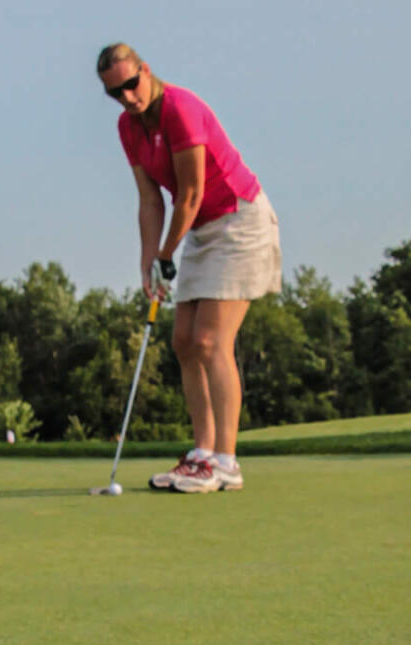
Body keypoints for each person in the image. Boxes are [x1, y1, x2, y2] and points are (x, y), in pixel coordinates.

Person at [97, 43, 282, 493]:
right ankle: (202, 454)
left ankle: (227, 463)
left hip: (239, 220)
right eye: (114, 93)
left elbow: (192, 193)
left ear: (146, 70)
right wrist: (148, 261)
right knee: (184, 341)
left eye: (130, 84)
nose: (126, 97)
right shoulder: (128, 127)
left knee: (210, 340)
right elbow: (150, 200)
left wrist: (166, 255)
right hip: (199, 228)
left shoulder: (180, 109)